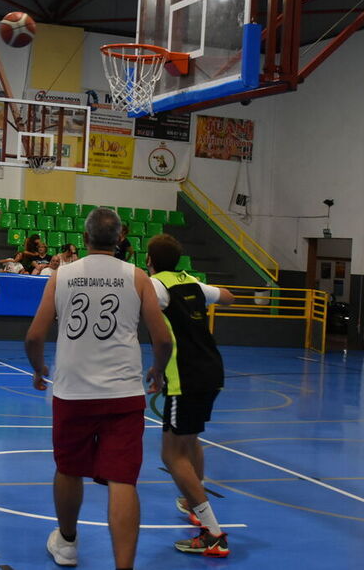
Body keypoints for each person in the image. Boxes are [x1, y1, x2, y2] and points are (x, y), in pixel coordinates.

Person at [25, 208, 172, 570]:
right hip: (123, 392)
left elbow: (34, 335)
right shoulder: (138, 277)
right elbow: (162, 338)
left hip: (73, 392)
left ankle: (68, 543)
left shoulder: (61, 275)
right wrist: (157, 368)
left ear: (86, 237)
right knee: (122, 478)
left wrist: (38, 367)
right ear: (120, 238)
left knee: (69, 469)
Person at [146, 233, 235, 558]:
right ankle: (193, 501)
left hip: (185, 376)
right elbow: (228, 296)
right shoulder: (192, 283)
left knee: (171, 455)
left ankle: (213, 534)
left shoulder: (157, 285)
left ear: (150, 260)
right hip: (212, 371)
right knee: (191, 440)